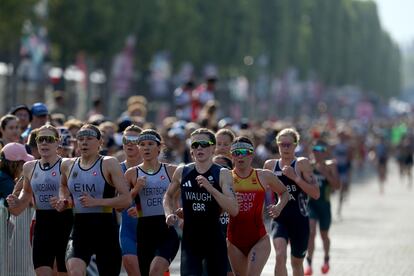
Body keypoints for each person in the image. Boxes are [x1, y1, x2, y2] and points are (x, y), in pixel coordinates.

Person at [52, 124, 130, 276]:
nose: (84, 142)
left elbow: (126, 199)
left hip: (105, 229)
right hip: (80, 229)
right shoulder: (67, 164)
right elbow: (63, 185)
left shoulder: (109, 163)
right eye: (80, 139)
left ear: (100, 142)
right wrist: (64, 200)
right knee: (75, 271)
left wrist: (97, 202)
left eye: (89, 138)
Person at [163, 128, 239, 276]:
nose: (199, 147)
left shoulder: (222, 173)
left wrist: (211, 189)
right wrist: (168, 214)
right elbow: (168, 196)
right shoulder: (182, 171)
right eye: (195, 144)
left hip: (214, 238)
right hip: (190, 239)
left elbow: (234, 209)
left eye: (204, 144)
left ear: (213, 148)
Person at [6, 125, 73, 276]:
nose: (44, 143)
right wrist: (14, 202)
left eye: (49, 139)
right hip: (42, 223)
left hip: (65, 222)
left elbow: (76, 194)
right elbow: (24, 198)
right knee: (42, 272)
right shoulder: (29, 167)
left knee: (61, 272)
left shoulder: (68, 164)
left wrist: (65, 201)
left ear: (57, 142)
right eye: (40, 139)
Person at [227, 136, 289, 276]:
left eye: (244, 152)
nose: (240, 156)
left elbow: (284, 192)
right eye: (236, 153)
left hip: (258, 239)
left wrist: (278, 207)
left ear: (252, 154)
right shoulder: (225, 177)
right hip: (233, 240)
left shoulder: (264, 176)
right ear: (231, 156)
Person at [264, 128, 320, 276]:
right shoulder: (270, 165)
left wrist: (296, 178)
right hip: (279, 218)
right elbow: (262, 192)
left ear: (296, 145)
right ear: (277, 145)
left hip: (299, 220)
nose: (285, 148)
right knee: (280, 255)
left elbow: (316, 194)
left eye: (289, 144)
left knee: (296, 263)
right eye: (282, 144)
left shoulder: (302, 164)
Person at [125, 129, 179, 275]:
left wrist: (177, 212)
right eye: (142, 144)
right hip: (144, 231)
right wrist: (136, 189)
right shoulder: (131, 173)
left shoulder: (172, 171)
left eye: (150, 144)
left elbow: (180, 199)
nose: (146, 148)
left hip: (166, 231)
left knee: (155, 271)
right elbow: (121, 204)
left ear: (159, 147)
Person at [304, 140, 341, 275]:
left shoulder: (330, 166)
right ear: (311, 150)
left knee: (324, 235)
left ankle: (326, 259)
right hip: (311, 205)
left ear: (325, 151)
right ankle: (309, 263)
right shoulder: (307, 166)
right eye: (315, 149)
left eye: (320, 149)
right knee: (311, 233)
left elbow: (337, 186)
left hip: (325, 206)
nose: (317, 152)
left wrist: (325, 173)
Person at [119, 125, 142, 276]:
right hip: (127, 229)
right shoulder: (115, 169)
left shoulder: (155, 169)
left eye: (134, 140)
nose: (129, 143)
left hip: (154, 230)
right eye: (126, 139)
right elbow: (118, 206)